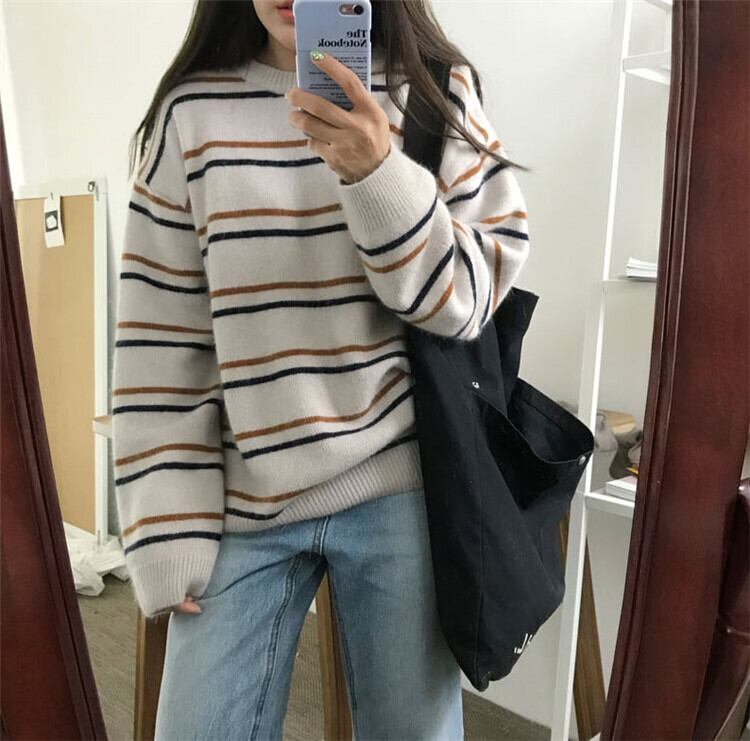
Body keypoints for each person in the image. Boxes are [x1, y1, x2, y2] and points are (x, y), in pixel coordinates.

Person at [112, 0, 530, 738]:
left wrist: (379, 174)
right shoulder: (192, 113)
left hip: (401, 486)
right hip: (244, 500)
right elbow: (160, 336)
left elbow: (467, 302)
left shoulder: (433, 91)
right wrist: (166, 521)